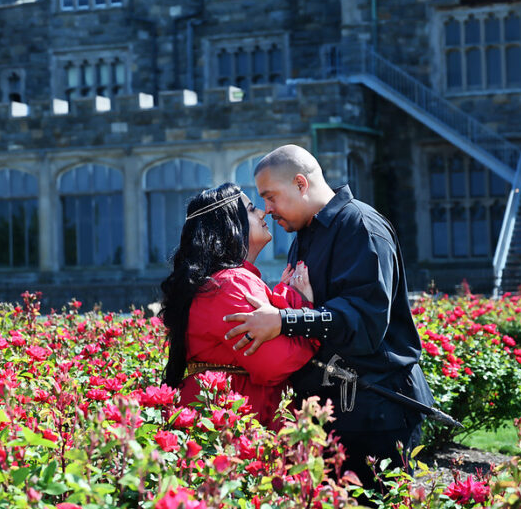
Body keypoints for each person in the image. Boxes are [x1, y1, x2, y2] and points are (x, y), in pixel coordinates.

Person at [223, 145, 434, 492]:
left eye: (271, 196)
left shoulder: (360, 226)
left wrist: (284, 319)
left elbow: (364, 325)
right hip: (336, 411)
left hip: (380, 411)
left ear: (301, 183)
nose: (267, 209)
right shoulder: (305, 234)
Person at [158, 182, 317, 429]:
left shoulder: (221, 282)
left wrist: (283, 299)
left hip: (222, 418)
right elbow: (273, 364)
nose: (263, 213)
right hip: (232, 427)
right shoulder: (230, 282)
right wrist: (301, 307)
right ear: (230, 225)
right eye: (252, 209)